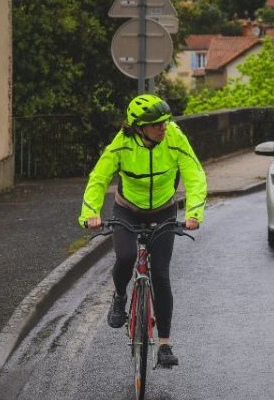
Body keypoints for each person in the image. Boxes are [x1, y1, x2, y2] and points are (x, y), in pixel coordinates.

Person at [79, 94, 207, 368]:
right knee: (125, 257)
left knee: (160, 273)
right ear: (139, 127)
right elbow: (98, 178)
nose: (164, 127)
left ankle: (164, 345)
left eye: (165, 122)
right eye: (156, 124)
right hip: (128, 209)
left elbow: (195, 174)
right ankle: (120, 296)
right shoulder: (122, 144)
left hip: (163, 210)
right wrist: (90, 213)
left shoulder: (174, 136)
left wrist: (194, 212)